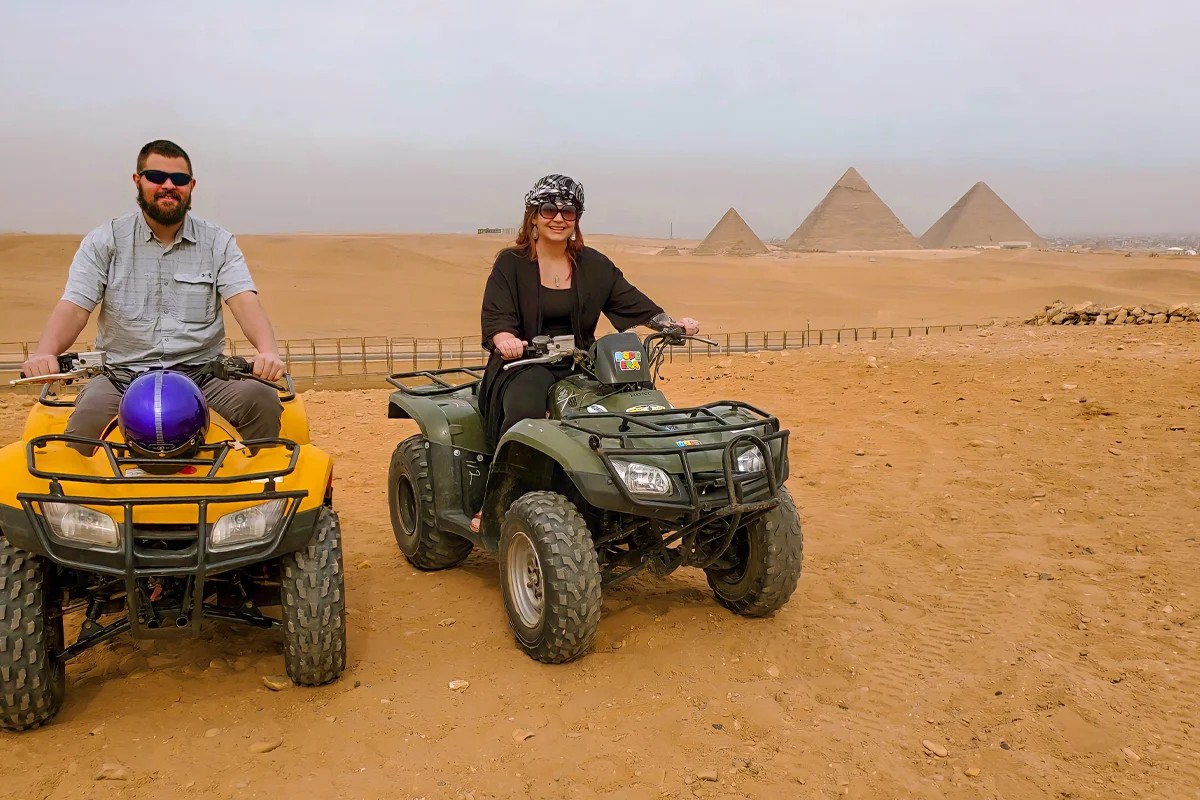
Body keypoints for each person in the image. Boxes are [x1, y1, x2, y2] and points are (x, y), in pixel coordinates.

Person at [20, 139, 286, 450]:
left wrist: (268, 351)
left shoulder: (218, 242)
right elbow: (75, 306)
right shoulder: (105, 241)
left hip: (202, 375)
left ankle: (258, 494)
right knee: (85, 426)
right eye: (157, 177)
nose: (168, 186)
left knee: (262, 400)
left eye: (180, 179)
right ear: (138, 180)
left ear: (191, 186)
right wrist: (44, 354)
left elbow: (243, 300)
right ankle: (82, 500)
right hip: (122, 377)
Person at [474, 174, 700, 531]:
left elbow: (630, 300)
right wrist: (505, 337)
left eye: (569, 210)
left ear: (577, 217)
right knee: (527, 409)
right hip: (524, 363)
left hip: (582, 364)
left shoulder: (593, 264)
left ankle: (638, 491)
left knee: (632, 404)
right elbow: (497, 315)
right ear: (533, 215)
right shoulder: (511, 264)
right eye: (549, 209)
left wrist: (670, 324)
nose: (558, 217)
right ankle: (500, 501)